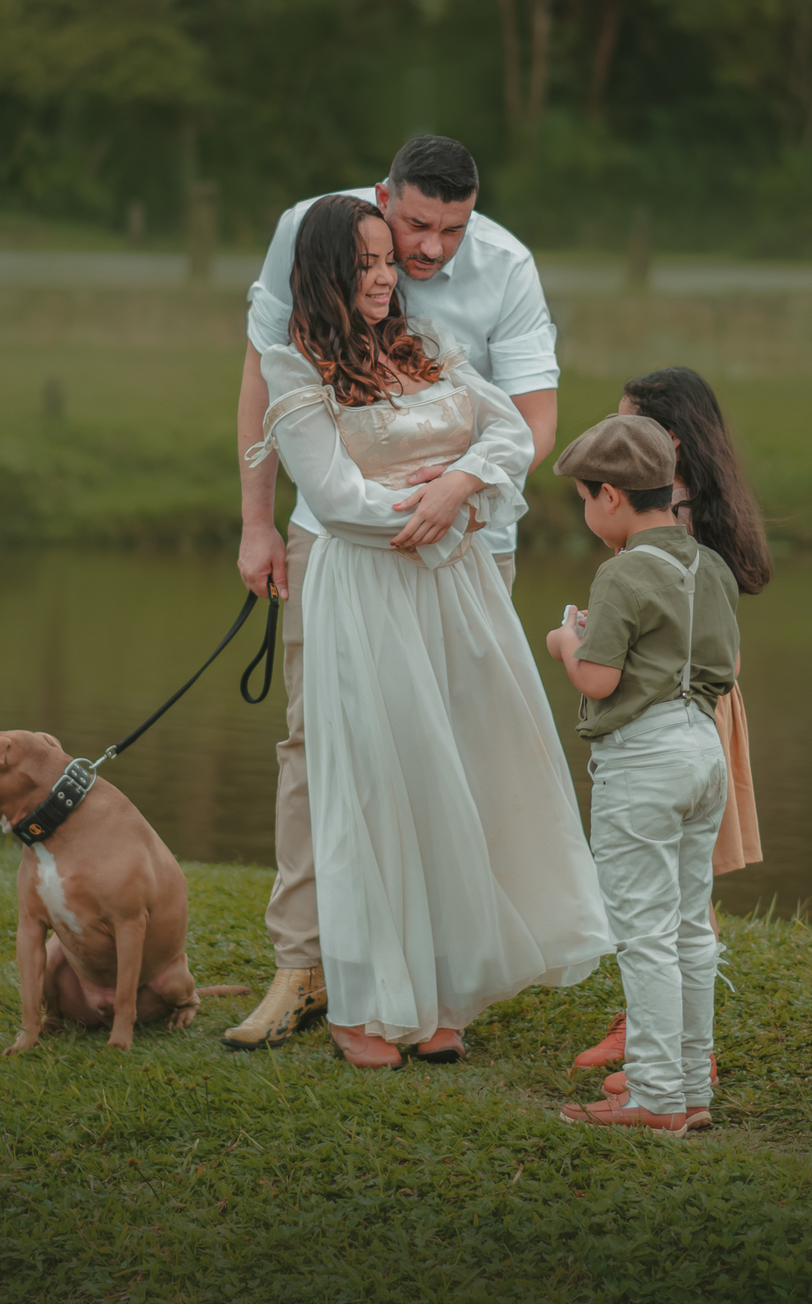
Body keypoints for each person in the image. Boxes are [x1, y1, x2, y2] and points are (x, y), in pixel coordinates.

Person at [242, 194, 611, 1067]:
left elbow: (511, 429)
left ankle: (438, 991)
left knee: (454, 769)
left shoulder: (426, 345)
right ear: (327, 269)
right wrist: (442, 505)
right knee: (370, 778)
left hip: (454, 586)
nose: (383, 279)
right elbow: (334, 498)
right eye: (366, 264)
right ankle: (360, 1001)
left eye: (386, 263)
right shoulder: (295, 368)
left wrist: (462, 489)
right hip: (365, 587)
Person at [545, 414, 740, 1135]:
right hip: (702, 751)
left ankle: (653, 1097)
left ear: (612, 498)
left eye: (585, 499)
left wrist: (569, 640)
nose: (589, 512)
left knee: (645, 933)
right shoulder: (710, 565)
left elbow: (597, 678)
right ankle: (690, 1086)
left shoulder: (622, 570)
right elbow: (729, 668)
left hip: (644, 761)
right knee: (692, 928)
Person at [572, 366, 768, 1074]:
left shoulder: (672, 522)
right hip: (693, 702)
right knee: (682, 889)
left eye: (629, 426)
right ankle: (673, 1042)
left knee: (672, 894)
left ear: (669, 441)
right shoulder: (696, 506)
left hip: (677, 708)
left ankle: (665, 1046)